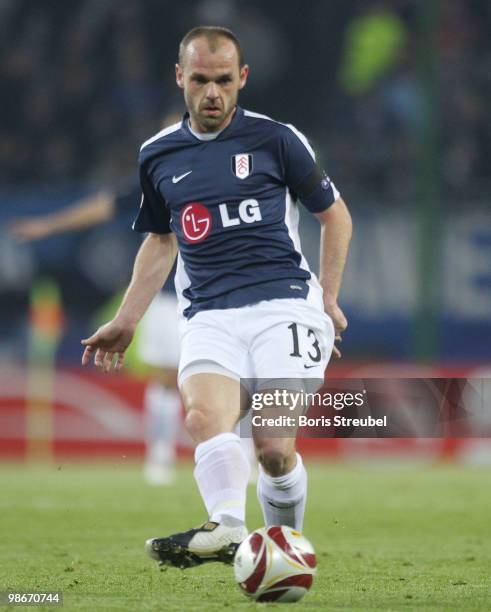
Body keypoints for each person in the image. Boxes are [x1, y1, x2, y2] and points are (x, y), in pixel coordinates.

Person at [81, 25, 352, 569]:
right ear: (180, 77)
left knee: (274, 448)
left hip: (284, 308)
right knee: (205, 417)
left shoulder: (278, 139)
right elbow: (161, 241)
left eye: (224, 80)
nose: (212, 93)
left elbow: (335, 216)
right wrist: (127, 318)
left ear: (242, 78)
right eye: (200, 79)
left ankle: (284, 550)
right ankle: (228, 527)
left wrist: (328, 298)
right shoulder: (158, 155)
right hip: (208, 315)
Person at [10, 171, 182, 486]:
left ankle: (248, 455)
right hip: (169, 294)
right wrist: (50, 225)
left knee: (236, 375)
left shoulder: (231, 170)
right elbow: (107, 206)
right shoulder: (162, 177)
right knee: (166, 377)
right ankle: (161, 455)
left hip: (223, 294)